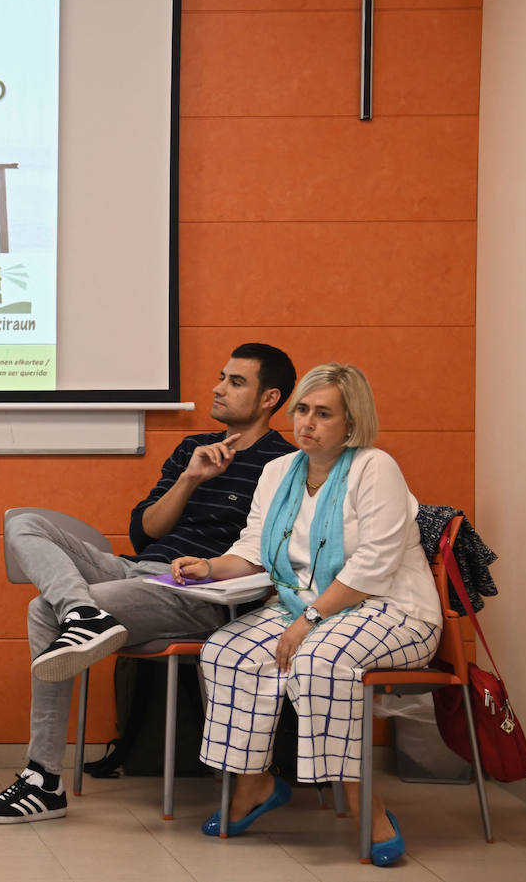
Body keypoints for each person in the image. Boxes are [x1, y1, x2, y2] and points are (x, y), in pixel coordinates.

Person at [0, 343, 297, 824]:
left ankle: (43, 779)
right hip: (140, 569)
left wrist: (209, 567)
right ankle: (84, 613)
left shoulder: (284, 464)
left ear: (270, 398)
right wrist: (190, 479)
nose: (217, 387)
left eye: (235, 381)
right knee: (23, 523)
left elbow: (267, 556)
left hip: (198, 591)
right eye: (221, 376)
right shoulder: (193, 448)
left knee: (43, 610)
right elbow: (145, 532)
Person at [172, 364, 440, 867]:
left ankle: (366, 803)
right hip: (306, 607)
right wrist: (209, 566)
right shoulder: (278, 471)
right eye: (302, 410)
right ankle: (254, 784)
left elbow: (374, 563)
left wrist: (309, 619)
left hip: (393, 610)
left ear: (351, 422)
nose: (307, 423)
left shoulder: (375, 466)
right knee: (225, 651)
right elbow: (253, 547)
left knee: (318, 660)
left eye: (323, 413)